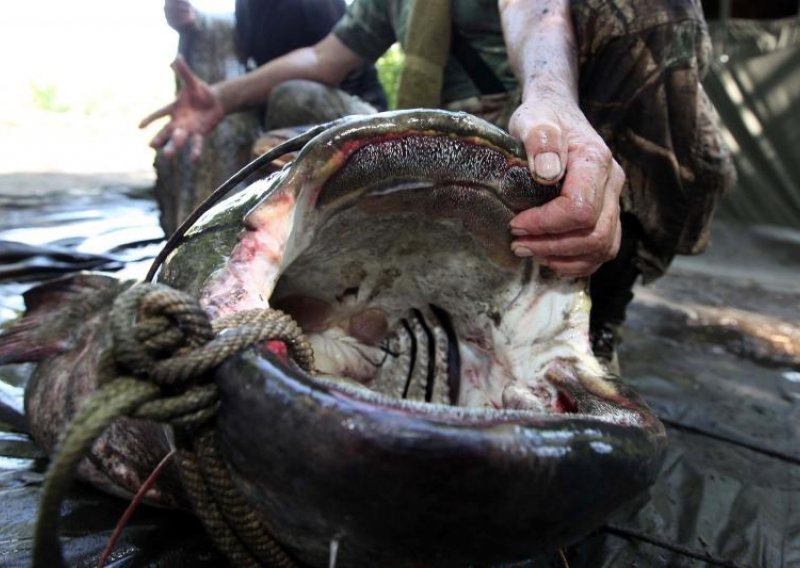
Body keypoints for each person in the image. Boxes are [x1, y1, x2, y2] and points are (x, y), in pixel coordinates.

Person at [141, 0, 734, 367]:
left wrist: (551, 99)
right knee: (297, 103)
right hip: (425, 132)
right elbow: (324, 58)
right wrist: (217, 99)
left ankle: (594, 316)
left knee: (657, 7)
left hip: (519, 128)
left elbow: (538, 11)